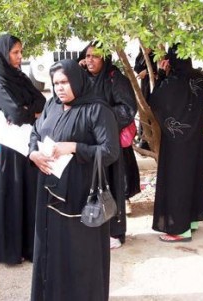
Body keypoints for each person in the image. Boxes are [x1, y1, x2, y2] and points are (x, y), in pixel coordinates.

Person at [29, 59, 119, 300]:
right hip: (48, 190)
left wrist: (76, 147)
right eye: (56, 83)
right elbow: (35, 132)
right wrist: (33, 153)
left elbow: (110, 151)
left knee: (79, 252)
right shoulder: (52, 105)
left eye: (65, 82)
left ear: (77, 80)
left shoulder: (97, 109)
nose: (60, 88)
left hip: (80, 194)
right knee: (51, 248)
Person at [0, 34, 46, 264]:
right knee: (8, 195)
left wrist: (26, 110)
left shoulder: (18, 77)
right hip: (3, 149)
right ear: (3, 53)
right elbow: (17, 114)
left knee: (26, 194)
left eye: (20, 52)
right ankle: (8, 250)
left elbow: (42, 102)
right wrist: (27, 111)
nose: (20, 57)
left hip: (22, 144)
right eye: (15, 53)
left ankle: (26, 247)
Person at [78, 42, 139, 249]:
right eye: (87, 56)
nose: (90, 60)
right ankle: (94, 228)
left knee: (112, 186)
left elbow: (128, 108)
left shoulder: (115, 79)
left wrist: (102, 119)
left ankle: (115, 232)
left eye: (95, 56)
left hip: (109, 143)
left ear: (105, 58)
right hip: (89, 144)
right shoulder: (83, 78)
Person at [149, 45, 203, 242]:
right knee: (192, 178)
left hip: (177, 144)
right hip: (195, 139)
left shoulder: (173, 81)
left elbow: (155, 100)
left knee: (177, 183)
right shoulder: (199, 77)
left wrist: (160, 74)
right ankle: (191, 220)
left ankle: (180, 229)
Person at [133, 47, 156, 151]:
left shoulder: (156, 55)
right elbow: (136, 67)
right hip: (144, 86)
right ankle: (144, 140)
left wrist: (147, 71)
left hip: (154, 85)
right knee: (144, 110)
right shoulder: (141, 55)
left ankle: (151, 140)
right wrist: (144, 55)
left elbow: (156, 68)